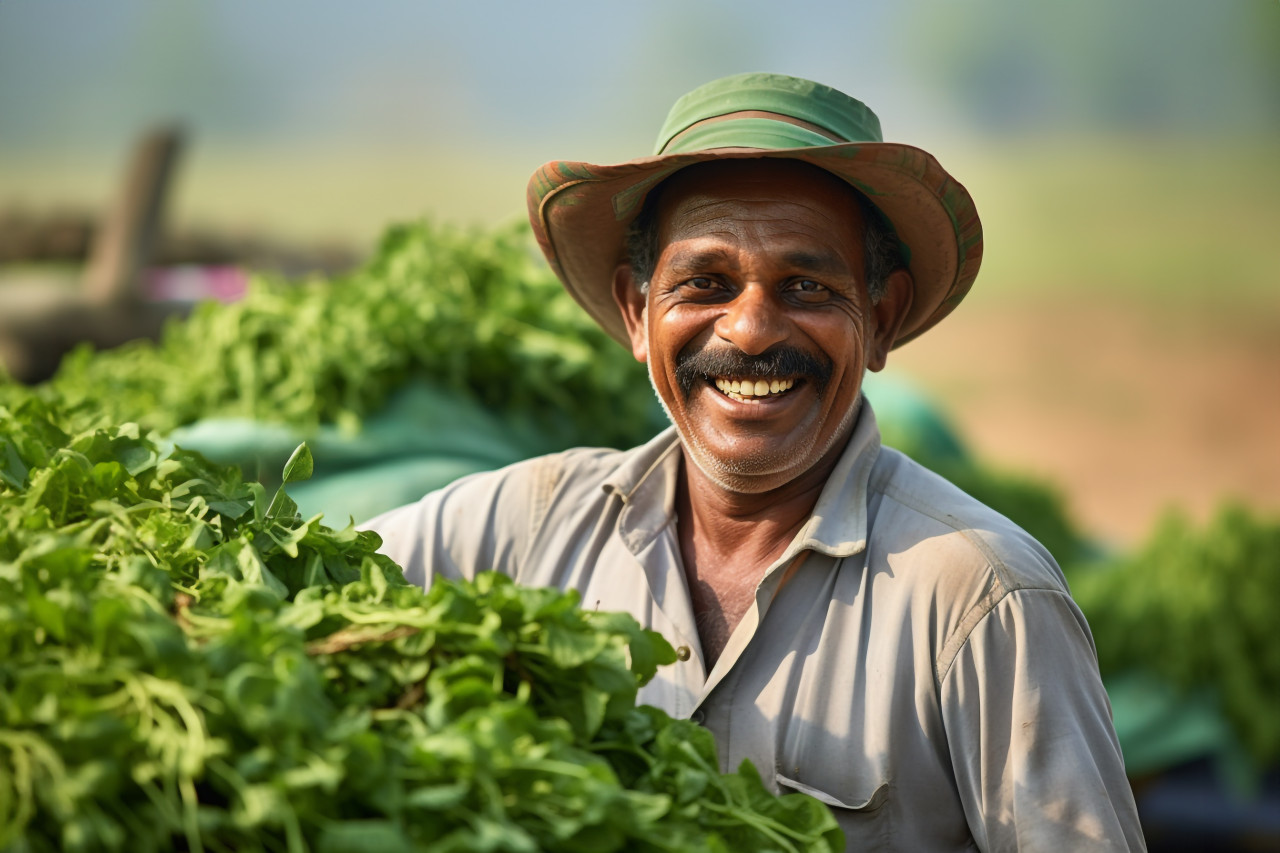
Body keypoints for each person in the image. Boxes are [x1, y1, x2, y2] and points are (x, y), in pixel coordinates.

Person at [367, 72, 1147, 851]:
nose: (748, 330)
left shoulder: (979, 598)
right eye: (705, 283)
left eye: (805, 285)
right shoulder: (517, 531)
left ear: (880, 318)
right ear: (638, 313)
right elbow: (295, 601)